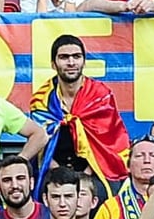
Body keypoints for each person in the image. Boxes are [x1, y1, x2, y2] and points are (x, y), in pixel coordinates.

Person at [28, 35, 129, 187]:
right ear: (53, 64)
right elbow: (40, 146)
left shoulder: (100, 95)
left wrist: (85, 176)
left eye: (76, 56)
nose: (71, 62)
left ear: (84, 61)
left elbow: (110, 144)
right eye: (64, 57)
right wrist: (60, 175)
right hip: (54, 171)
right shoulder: (42, 100)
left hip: (95, 171)